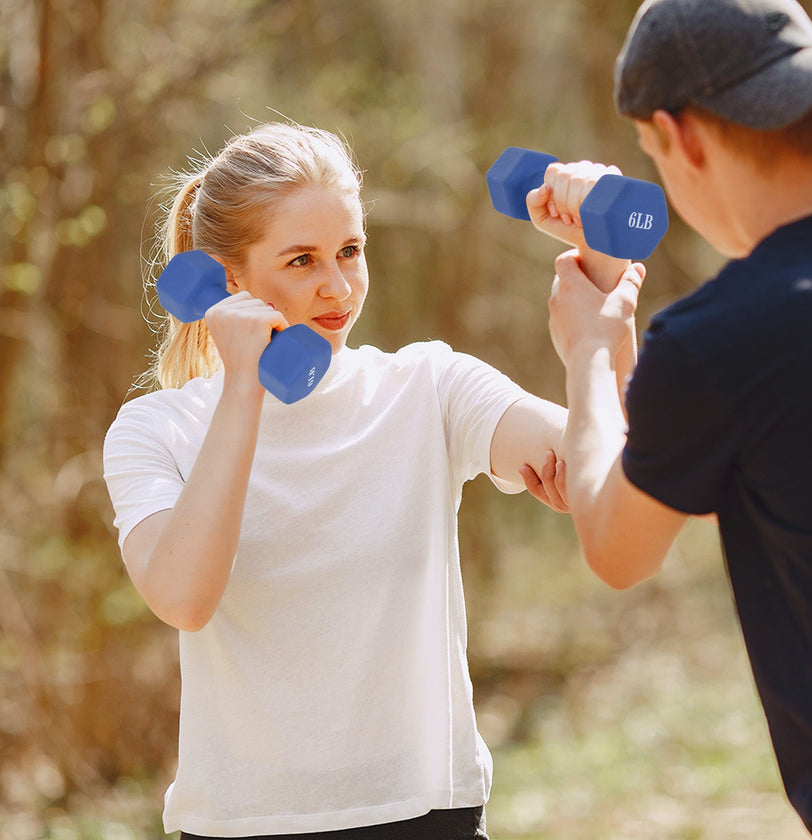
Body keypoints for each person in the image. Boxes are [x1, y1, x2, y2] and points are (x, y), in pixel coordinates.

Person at [101, 121, 628, 839]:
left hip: (423, 813)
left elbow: (605, 466)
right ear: (227, 281)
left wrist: (605, 289)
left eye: (350, 251)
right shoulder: (154, 431)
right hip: (240, 823)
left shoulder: (429, 387)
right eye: (301, 261)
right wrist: (245, 392)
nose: (338, 287)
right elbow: (185, 597)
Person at [521, 0, 812, 836]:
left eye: (653, 154)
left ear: (683, 139)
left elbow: (619, 543)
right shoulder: (721, 353)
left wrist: (594, 346)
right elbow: (677, 454)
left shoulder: (724, 343)